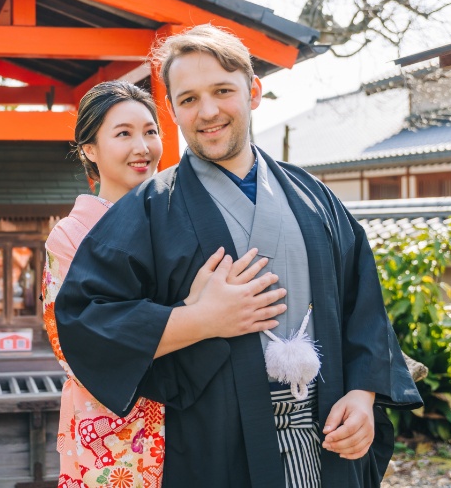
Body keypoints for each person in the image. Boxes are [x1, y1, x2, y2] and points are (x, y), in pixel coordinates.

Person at [55, 25, 423, 488]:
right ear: (172, 109)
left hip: (327, 429)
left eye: (222, 91)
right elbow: (85, 320)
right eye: (188, 99)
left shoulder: (315, 197)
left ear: (253, 92)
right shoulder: (148, 210)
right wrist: (201, 319)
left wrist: (363, 395)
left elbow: (362, 306)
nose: (207, 112)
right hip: (216, 442)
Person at [43, 81, 285, 488]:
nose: (143, 147)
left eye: (151, 131)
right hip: (111, 430)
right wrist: (198, 315)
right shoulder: (71, 237)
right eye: (123, 134)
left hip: (198, 419)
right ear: (89, 149)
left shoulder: (184, 217)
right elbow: (76, 346)